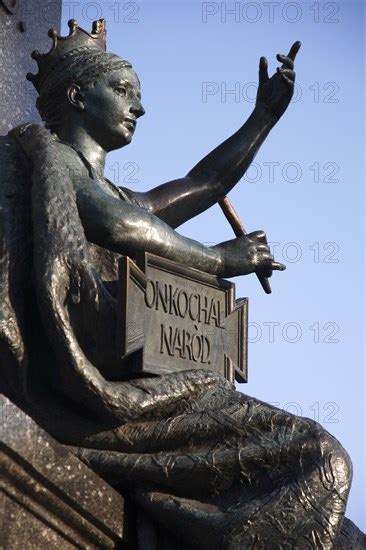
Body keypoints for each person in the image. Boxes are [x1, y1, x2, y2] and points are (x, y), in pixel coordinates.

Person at [0, 18, 364, 549]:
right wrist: (217, 260)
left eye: (139, 96)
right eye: (123, 90)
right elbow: (116, 225)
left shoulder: (122, 194)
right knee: (318, 459)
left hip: (142, 388)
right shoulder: (49, 159)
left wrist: (262, 118)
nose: (139, 107)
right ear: (77, 95)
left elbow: (205, 183)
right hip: (97, 395)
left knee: (341, 533)